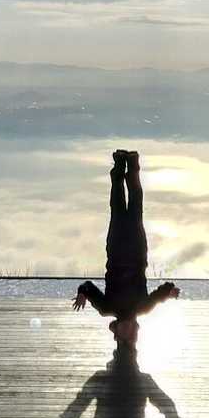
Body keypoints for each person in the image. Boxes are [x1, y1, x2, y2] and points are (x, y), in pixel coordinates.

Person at [72, 149, 180, 347]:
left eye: (124, 333)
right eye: (132, 333)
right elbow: (161, 292)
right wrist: (170, 291)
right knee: (136, 204)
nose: (128, 329)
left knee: (118, 204)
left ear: (116, 330)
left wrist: (82, 293)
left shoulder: (106, 308)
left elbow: (87, 286)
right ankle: (133, 164)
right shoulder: (143, 308)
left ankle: (119, 163)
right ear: (136, 329)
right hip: (137, 249)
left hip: (116, 247)